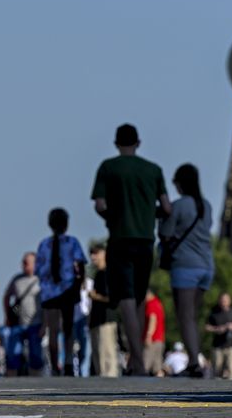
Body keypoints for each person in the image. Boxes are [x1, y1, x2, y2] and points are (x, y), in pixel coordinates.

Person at [91, 123, 172, 375]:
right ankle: (137, 357)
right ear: (138, 143)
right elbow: (167, 208)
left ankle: (136, 358)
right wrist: (150, 214)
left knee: (125, 298)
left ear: (116, 144)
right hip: (146, 241)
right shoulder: (153, 170)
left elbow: (100, 204)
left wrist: (113, 217)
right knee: (138, 297)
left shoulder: (108, 168)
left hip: (120, 239)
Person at [160, 163, 214, 378]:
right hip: (206, 266)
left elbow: (166, 233)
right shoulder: (206, 205)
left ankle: (194, 363)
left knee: (185, 317)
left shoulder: (179, 205)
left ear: (180, 183)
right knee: (193, 316)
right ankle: (195, 359)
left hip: (185, 266)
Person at [36, 207, 87, 376]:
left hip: (51, 291)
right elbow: (80, 264)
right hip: (66, 289)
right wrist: (79, 283)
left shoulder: (44, 244)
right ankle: (67, 363)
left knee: (54, 330)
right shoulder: (72, 242)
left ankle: (57, 364)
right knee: (68, 328)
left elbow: (38, 269)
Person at [2, 252, 44, 376]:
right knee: (13, 354)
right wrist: (7, 316)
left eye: (27, 262)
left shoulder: (41, 280)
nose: (23, 265)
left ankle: (36, 384)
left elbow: (47, 304)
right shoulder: (16, 279)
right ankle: (11, 383)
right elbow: (6, 296)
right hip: (18, 323)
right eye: (23, 262)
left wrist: (45, 324)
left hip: (36, 323)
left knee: (35, 356)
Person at [86, 243, 120, 377]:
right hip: (96, 319)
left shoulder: (109, 273)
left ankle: (110, 380)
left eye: (96, 253)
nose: (93, 257)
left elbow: (113, 298)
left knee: (107, 351)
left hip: (107, 319)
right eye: (91, 254)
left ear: (104, 254)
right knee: (97, 353)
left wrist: (95, 296)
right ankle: (101, 380)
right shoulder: (98, 274)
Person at [205, 292, 232, 380]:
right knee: (217, 369)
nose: (224, 302)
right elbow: (206, 327)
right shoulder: (214, 312)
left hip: (230, 345)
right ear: (219, 301)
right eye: (222, 300)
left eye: (226, 300)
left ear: (230, 301)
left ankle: (231, 390)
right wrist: (217, 329)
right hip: (217, 346)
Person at [142, 290, 166, 376]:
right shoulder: (158, 303)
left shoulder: (151, 304)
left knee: (145, 364)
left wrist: (149, 335)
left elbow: (153, 319)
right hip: (160, 338)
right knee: (157, 366)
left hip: (153, 339)